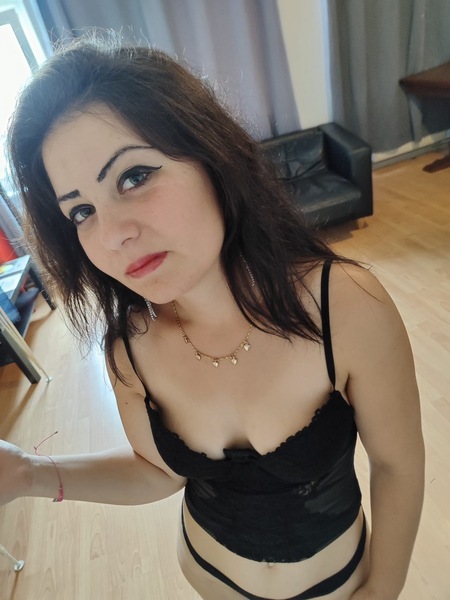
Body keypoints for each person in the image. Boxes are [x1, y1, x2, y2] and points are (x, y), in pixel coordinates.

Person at [0, 34, 424, 600]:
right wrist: (28, 473)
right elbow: (160, 472)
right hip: (208, 574)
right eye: (81, 211)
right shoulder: (130, 348)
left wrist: (384, 591)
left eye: (133, 177)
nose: (113, 234)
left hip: (339, 585)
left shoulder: (343, 305)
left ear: (211, 154)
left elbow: (398, 465)